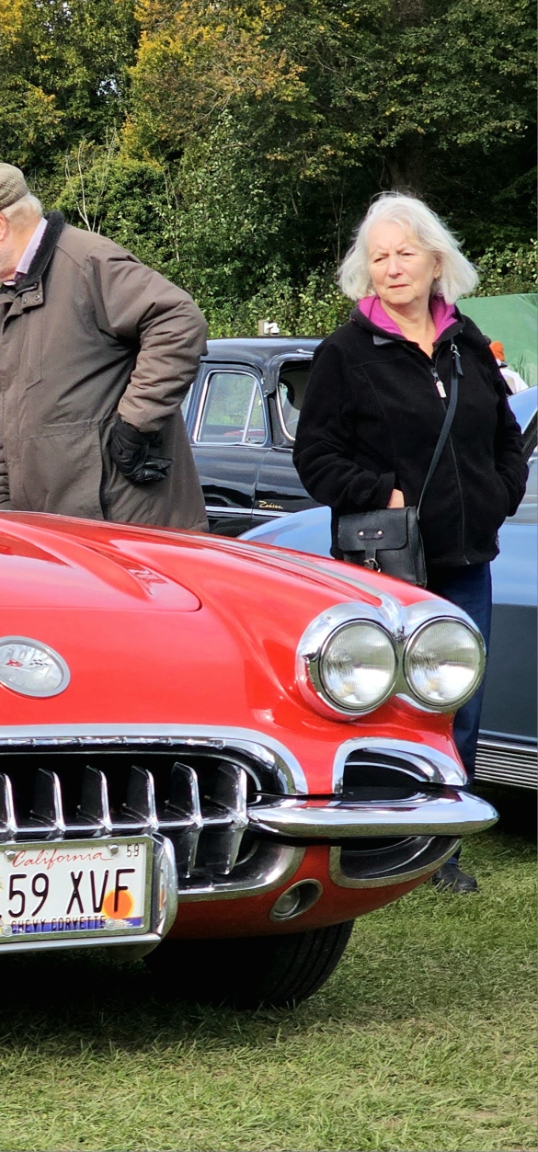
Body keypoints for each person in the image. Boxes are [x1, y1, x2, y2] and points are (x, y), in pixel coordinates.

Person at [293, 193, 528, 893]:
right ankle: (375, 842)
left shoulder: (466, 342)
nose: (393, 267)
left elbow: (505, 440)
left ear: (435, 261)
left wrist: (496, 497)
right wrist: (383, 494)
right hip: (386, 565)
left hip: (466, 561)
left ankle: (439, 853)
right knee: (385, 705)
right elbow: (317, 458)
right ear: (365, 271)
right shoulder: (344, 352)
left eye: (405, 253)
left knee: (461, 707)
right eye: (379, 256)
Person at [0, 163, 208, 529]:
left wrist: (136, 424)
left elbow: (179, 322)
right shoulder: (2, 307)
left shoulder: (86, 261)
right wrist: (2, 518)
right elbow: (8, 434)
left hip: (129, 531)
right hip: (56, 539)